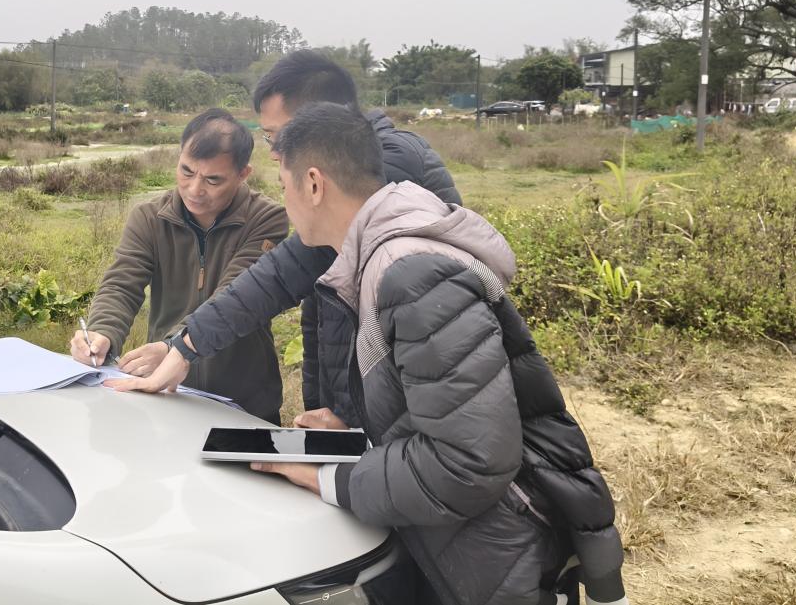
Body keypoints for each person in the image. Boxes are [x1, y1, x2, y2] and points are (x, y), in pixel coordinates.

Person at [249, 103, 626, 605]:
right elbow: (443, 413)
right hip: (469, 546)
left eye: (283, 186)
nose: (285, 204)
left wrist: (331, 478)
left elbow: (468, 462)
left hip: (498, 560)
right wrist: (362, 438)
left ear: (314, 184)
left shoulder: (411, 274)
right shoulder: (382, 258)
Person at [120, 50, 461, 429]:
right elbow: (323, 302)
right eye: (268, 138)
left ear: (321, 118)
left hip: (411, 420)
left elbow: (288, 271)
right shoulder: (339, 169)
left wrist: (186, 345)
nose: (274, 153)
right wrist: (328, 410)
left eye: (278, 137)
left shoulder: (385, 165)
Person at [70, 108, 288, 423]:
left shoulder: (266, 219)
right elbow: (121, 284)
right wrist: (102, 331)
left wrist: (174, 346)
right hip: (168, 394)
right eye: (186, 171)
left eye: (213, 179)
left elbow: (235, 295)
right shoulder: (149, 218)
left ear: (243, 174)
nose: (195, 189)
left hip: (243, 403)